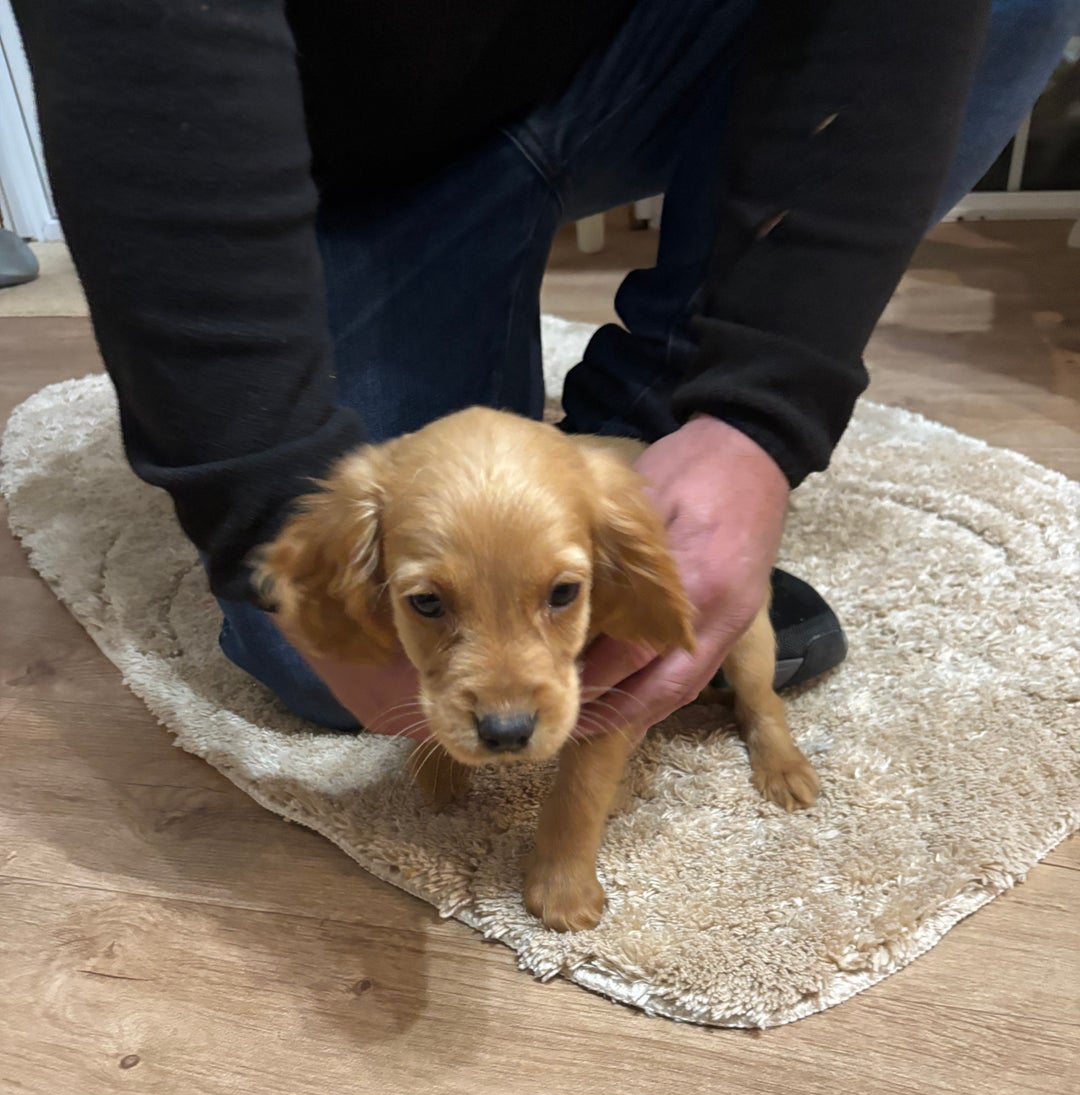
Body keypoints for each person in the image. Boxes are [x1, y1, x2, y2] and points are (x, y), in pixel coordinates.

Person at [14, 0, 1080, 737]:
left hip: (643, 44)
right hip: (340, 146)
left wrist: (757, 414)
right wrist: (258, 493)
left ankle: (644, 425)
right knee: (328, 659)